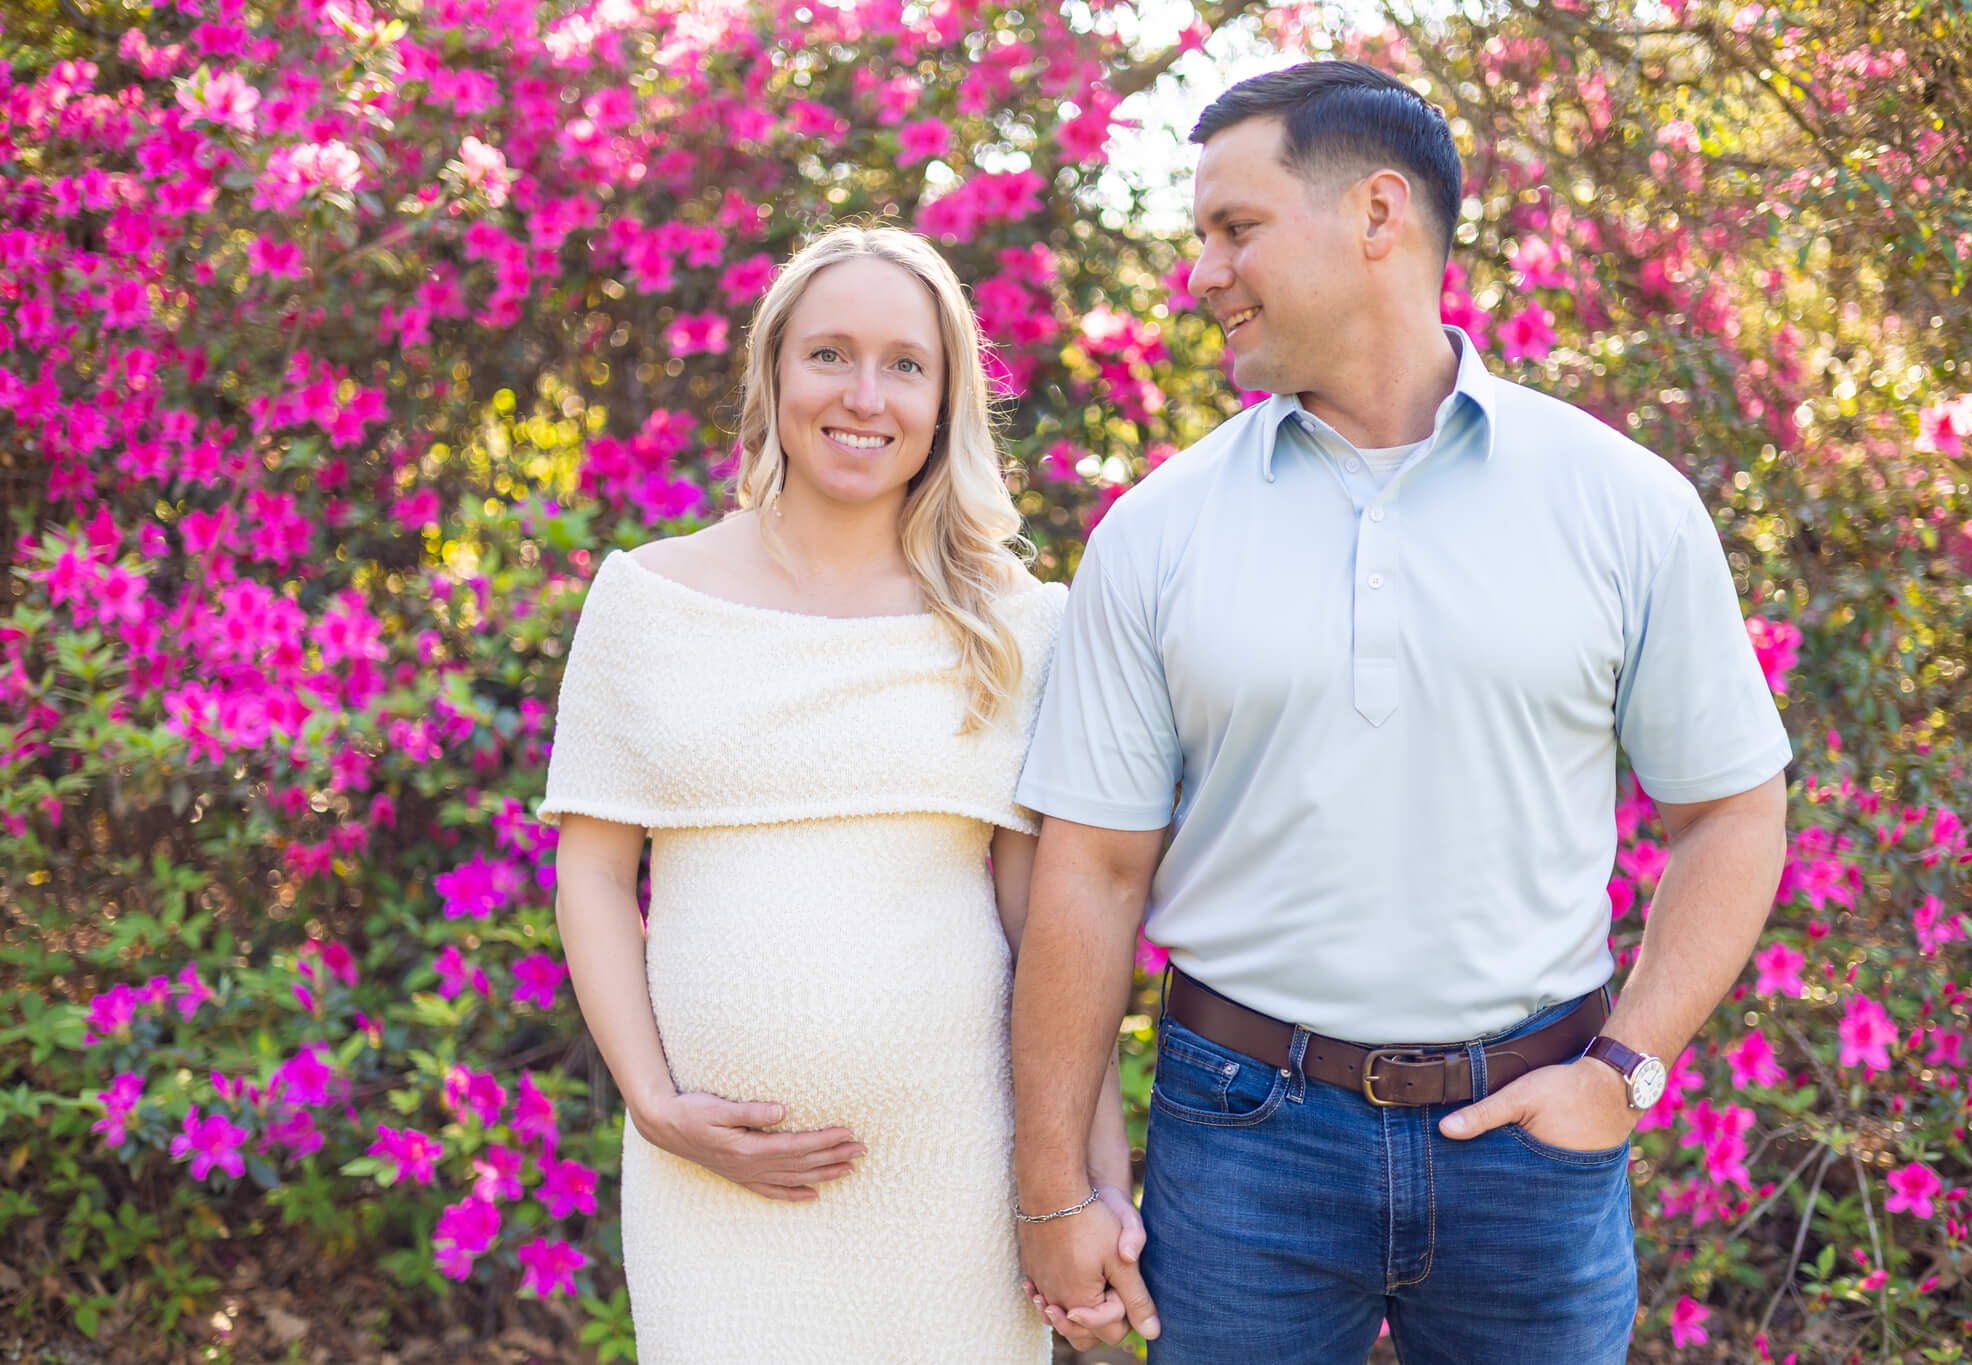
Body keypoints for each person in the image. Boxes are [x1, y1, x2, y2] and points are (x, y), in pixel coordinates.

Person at [1008, 60, 1791, 1363]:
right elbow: (1087, 870)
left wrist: (1625, 1070)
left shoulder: (1622, 503)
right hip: (1244, 1137)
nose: (1201, 273)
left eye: (1234, 228)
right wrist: (1054, 1189)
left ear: (1378, 215)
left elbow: (1731, 807)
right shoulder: (1154, 533)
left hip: (1531, 1146)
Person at [536, 225, 1135, 1362]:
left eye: (904, 364)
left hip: (953, 1186)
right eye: (829, 355)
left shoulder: (1015, 625)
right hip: (712, 1196)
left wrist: (1092, 1186)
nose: (864, 395)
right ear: (771, 375)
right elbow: (595, 874)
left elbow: (1050, 931)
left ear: (946, 396)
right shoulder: (647, 601)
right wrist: (658, 1109)